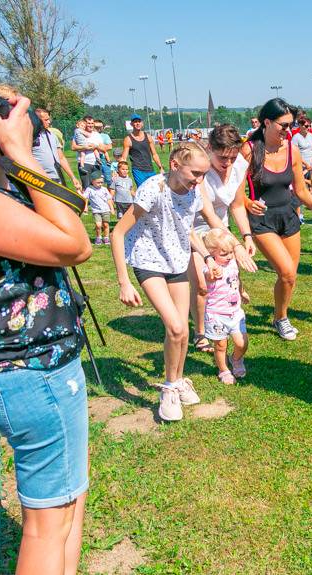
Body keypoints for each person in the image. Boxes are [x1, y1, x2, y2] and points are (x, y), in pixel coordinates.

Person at [0, 42, 93, 575]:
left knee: (66, 499)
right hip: (30, 373)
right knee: (46, 522)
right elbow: (74, 242)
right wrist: (26, 156)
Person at [110, 142, 233, 421]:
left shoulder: (192, 194)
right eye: (195, 173)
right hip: (148, 261)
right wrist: (123, 282)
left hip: (176, 260)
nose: (199, 180)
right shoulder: (153, 189)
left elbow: (186, 230)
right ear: (175, 165)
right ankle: (168, 389)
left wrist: (208, 257)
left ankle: (177, 381)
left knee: (183, 332)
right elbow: (117, 234)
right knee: (175, 326)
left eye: (204, 174)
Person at [242, 98, 312, 340]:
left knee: (289, 277)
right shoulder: (249, 150)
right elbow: (237, 194)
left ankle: (279, 315)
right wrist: (249, 203)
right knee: (286, 272)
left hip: (288, 216)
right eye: (283, 125)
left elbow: (301, 191)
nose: (288, 131)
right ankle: (282, 319)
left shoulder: (291, 148)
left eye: (291, 125)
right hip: (263, 220)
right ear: (267, 122)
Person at [187, 124, 256, 354]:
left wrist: (246, 235)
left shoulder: (239, 166)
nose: (227, 163)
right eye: (222, 157)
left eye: (232, 157)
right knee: (203, 284)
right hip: (196, 229)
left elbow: (236, 204)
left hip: (221, 229)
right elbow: (207, 212)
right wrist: (235, 244)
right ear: (209, 149)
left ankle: (223, 317)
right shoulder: (201, 172)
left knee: (223, 279)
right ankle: (200, 332)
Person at [199, 229, 248, 384]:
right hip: (216, 314)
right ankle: (223, 370)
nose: (229, 256)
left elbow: (236, 278)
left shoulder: (233, 263)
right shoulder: (209, 269)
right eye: (224, 254)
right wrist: (212, 273)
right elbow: (209, 276)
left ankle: (236, 359)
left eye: (230, 252)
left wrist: (242, 291)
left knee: (242, 343)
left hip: (235, 312)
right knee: (220, 345)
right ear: (212, 253)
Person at [32, 108, 82, 189]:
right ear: (37, 120)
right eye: (46, 120)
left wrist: (73, 177)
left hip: (57, 177)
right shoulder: (30, 137)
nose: (49, 122)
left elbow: (61, 158)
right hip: (40, 180)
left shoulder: (52, 135)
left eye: (49, 119)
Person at [119, 114, 164, 188]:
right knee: (143, 190)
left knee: (155, 190)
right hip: (138, 170)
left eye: (139, 121)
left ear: (142, 123)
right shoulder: (128, 139)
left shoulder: (148, 137)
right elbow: (124, 158)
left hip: (150, 169)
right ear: (131, 124)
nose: (137, 123)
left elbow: (154, 154)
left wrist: (160, 167)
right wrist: (118, 170)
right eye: (135, 122)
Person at [84, 172, 114, 245]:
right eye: (98, 182)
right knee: (98, 225)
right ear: (92, 181)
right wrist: (85, 207)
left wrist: (112, 208)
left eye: (102, 182)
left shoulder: (104, 189)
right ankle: (98, 237)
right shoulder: (89, 189)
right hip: (96, 211)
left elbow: (109, 199)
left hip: (105, 210)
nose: (100, 184)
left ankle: (106, 238)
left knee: (106, 225)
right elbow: (85, 198)